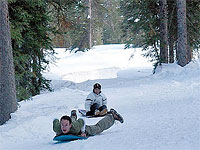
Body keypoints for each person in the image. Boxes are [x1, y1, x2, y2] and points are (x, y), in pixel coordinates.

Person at [53, 108, 124, 137]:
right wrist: (58, 132)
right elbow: (55, 119)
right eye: (62, 125)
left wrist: (83, 132)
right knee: (70, 120)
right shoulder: (57, 127)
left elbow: (82, 120)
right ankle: (73, 116)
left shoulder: (76, 127)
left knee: (98, 128)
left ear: (70, 125)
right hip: (72, 123)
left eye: (66, 125)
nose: (64, 127)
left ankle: (112, 116)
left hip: (81, 127)